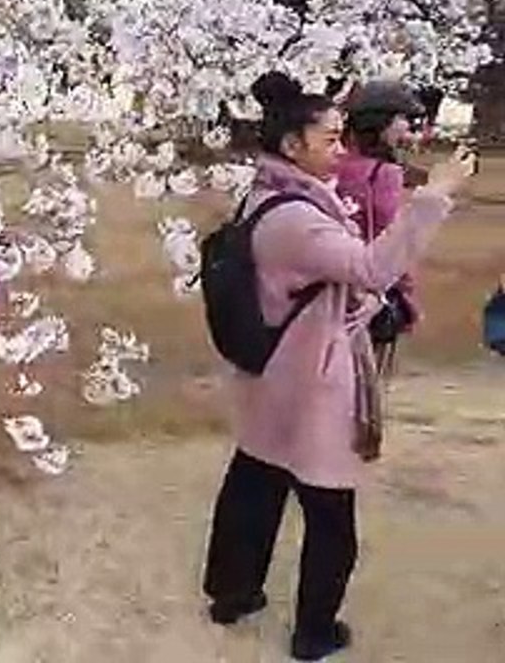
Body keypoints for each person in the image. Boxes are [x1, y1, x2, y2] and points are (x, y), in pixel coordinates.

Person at [201, 71, 474, 661]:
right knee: (330, 512)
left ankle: (233, 593)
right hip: (309, 381)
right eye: (328, 138)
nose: (340, 147)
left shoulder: (266, 193)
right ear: (292, 146)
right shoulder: (297, 217)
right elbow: (372, 269)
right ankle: (314, 632)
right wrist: (437, 195)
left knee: (256, 479)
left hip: (273, 375)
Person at [336, 79, 428, 373]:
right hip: (370, 288)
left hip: (330, 285)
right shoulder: (384, 173)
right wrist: (405, 290)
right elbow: (392, 234)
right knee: (365, 383)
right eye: (402, 119)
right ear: (381, 122)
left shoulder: (332, 164)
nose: (406, 128)